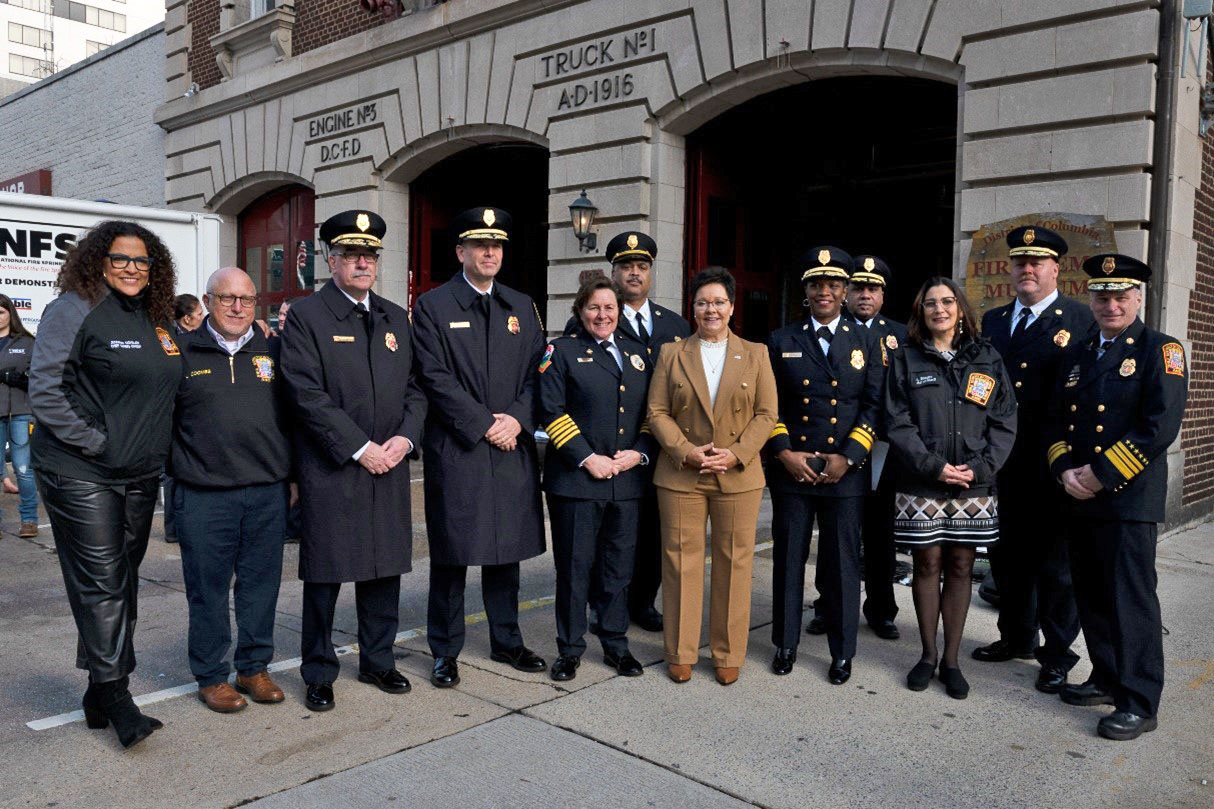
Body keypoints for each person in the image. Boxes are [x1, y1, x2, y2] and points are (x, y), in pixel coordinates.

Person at [29, 220, 182, 747]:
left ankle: (97, 690)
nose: (132, 269)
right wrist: (97, 442)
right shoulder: (72, 307)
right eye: (121, 259)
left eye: (142, 261)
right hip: (81, 470)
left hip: (140, 474)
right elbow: (46, 392)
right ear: (99, 260)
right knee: (102, 582)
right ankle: (118, 697)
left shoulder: (156, 317)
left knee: (122, 580)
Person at [279, 210, 426, 712]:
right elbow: (305, 393)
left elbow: (415, 388)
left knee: (384, 568)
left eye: (371, 255)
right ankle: (319, 671)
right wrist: (361, 448)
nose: (364, 263)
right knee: (325, 574)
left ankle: (378, 660)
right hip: (334, 467)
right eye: (352, 255)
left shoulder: (392, 316)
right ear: (330, 259)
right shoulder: (307, 316)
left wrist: (404, 441)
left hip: (391, 462)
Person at [1047, 254, 1187, 741]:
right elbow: (1055, 422)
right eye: (1101, 295)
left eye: (1120, 295)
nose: (1110, 304)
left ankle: (1139, 700)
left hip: (1127, 498)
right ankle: (1106, 677)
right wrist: (1065, 470)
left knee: (1131, 600)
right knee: (1092, 595)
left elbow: (1158, 427)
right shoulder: (1080, 353)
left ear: (1138, 297)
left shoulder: (1160, 350)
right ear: (1091, 298)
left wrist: (1101, 475)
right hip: (1081, 497)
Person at [412, 206, 547, 688]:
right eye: (479, 244)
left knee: (504, 552)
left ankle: (507, 641)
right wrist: (483, 423)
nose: (490, 252)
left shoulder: (521, 305)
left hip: (511, 444)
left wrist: (517, 418)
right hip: (460, 448)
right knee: (451, 556)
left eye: (497, 245)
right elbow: (432, 376)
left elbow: (539, 372)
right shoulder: (433, 306)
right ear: (461, 252)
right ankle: (444, 652)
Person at [974, 225, 1094, 694]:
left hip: (1052, 460)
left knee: (1056, 566)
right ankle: (1016, 637)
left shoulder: (1080, 319)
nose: (1027, 269)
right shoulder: (995, 321)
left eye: (1037, 262)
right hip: (1004, 461)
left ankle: (1057, 655)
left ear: (1054, 268)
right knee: (1008, 556)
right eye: (1020, 262)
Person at [885, 277, 1017, 699]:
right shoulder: (905, 358)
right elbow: (896, 420)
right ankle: (926, 654)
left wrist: (977, 470)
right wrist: (933, 466)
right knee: (926, 566)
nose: (939, 309)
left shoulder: (988, 357)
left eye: (946, 302)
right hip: (921, 482)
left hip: (972, 486)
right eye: (930, 304)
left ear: (960, 308)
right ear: (920, 313)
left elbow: (1004, 420)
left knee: (961, 568)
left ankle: (952, 661)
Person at [647, 266, 777, 686]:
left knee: (735, 563)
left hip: (737, 474)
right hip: (682, 473)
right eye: (703, 301)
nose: (711, 309)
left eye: (719, 301)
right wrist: (685, 452)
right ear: (693, 307)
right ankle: (681, 651)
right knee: (681, 563)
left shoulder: (755, 353)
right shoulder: (672, 353)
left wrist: (735, 454)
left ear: (732, 306)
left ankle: (726, 653)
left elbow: (767, 414)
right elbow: (657, 412)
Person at [170, 267, 292, 713]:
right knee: (207, 588)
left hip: (266, 491)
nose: (237, 307)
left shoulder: (274, 351)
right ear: (207, 302)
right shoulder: (181, 351)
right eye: (227, 298)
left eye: (245, 299)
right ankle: (210, 675)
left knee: (261, 585)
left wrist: (292, 478)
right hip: (204, 494)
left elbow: (293, 418)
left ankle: (254, 668)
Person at [766, 248, 885, 684]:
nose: (825, 291)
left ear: (845, 291)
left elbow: (874, 405)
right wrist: (783, 452)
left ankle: (842, 651)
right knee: (789, 559)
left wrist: (849, 457)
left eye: (833, 284)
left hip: (843, 472)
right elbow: (768, 404)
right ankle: (786, 643)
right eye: (816, 284)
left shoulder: (868, 340)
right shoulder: (781, 340)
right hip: (792, 470)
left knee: (842, 564)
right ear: (806, 292)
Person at [565, 231, 690, 632]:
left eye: (642, 266)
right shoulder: (592, 321)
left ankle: (641, 602)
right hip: (609, 451)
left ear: (651, 272)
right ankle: (603, 606)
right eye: (626, 266)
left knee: (653, 530)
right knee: (606, 539)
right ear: (614, 273)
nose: (635, 273)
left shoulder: (675, 324)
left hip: (656, 447)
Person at [540, 276, 653, 681]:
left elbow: (651, 415)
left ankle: (615, 644)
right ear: (580, 311)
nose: (602, 315)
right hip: (577, 481)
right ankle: (569, 648)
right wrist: (588, 458)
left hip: (626, 480)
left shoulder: (638, 354)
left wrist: (637, 453)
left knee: (618, 567)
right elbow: (550, 411)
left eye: (609, 308)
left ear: (619, 311)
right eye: (593, 308)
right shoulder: (562, 351)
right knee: (575, 567)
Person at [830, 254, 908, 641]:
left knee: (881, 534)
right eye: (858, 287)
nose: (865, 294)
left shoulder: (902, 335)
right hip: (840, 446)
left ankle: (882, 609)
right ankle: (829, 605)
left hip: (886, 450)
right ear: (846, 292)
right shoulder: (831, 328)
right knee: (836, 532)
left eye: (872, 288)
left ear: (883, 294)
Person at [0, 293, 38, 538]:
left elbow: (39, 377)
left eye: (1, 312)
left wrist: (21, 379)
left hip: (21, 412)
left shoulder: (26, 341)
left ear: (10, 313)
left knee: (23, 469)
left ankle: (29, 520)